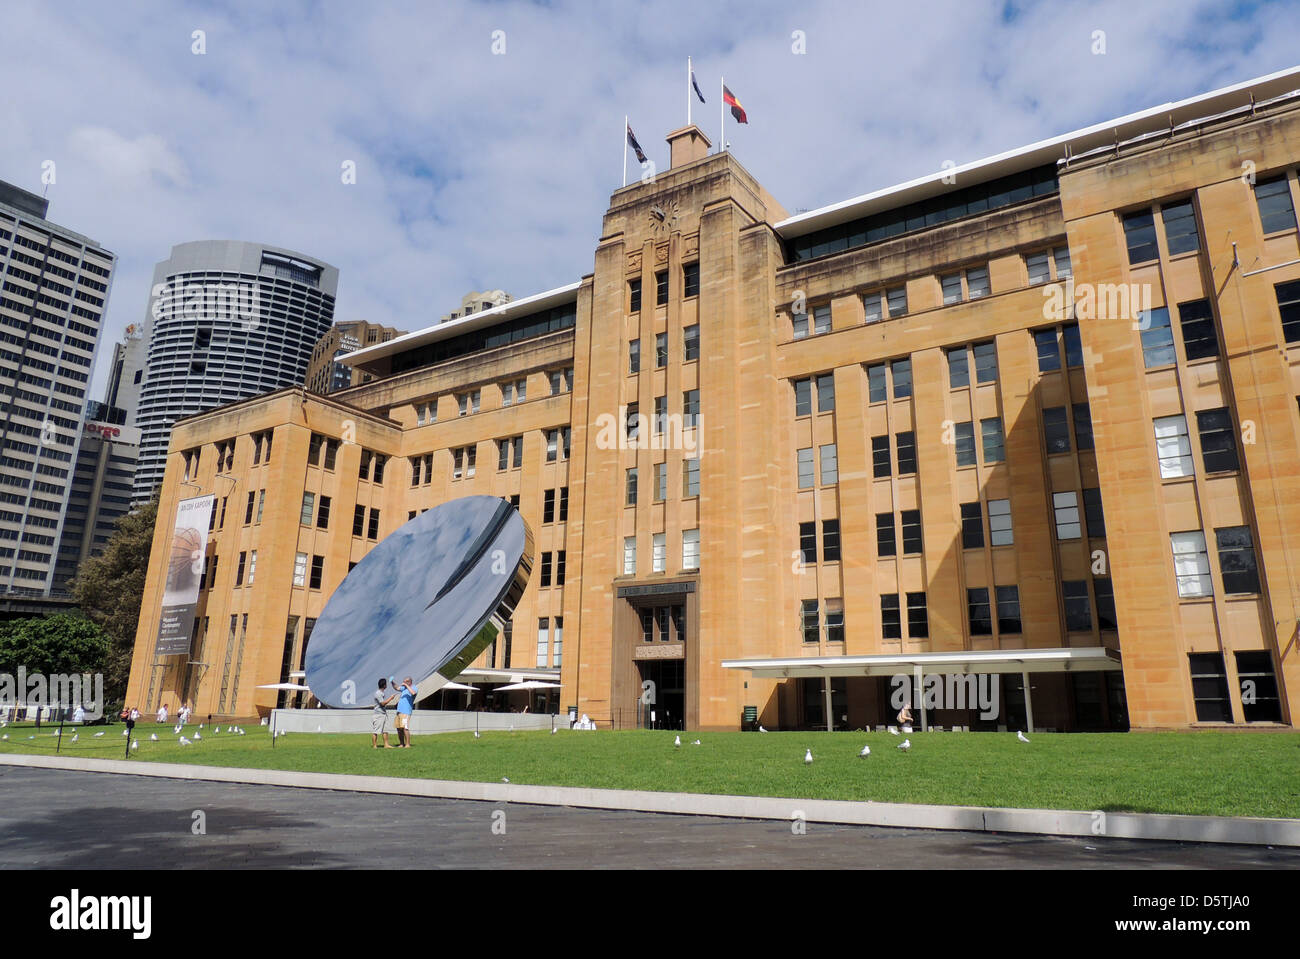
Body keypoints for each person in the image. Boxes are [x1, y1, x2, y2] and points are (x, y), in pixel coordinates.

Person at [391, 676, 418, 748]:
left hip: (406, 712)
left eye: (405, 681)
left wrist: (406, 685)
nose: (403, 683)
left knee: (405, 728)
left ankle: (408, 744)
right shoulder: (404, 688)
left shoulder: (414, 687)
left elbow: (413, 693)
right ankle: (401, 743)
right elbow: (397, 688)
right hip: (399, 711)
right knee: (399, 728)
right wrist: (392, 682)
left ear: (409, 682)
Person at [371, 678, 396, 749]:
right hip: (378, 715)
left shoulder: (382, 693)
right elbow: (382, 704)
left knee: (385, 730)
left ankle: (386, 745)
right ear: (384, 685)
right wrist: (391, 698)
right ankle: (374, 746)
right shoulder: (378, 693)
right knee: (376, 731)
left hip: (383, 714)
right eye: (386, 684)